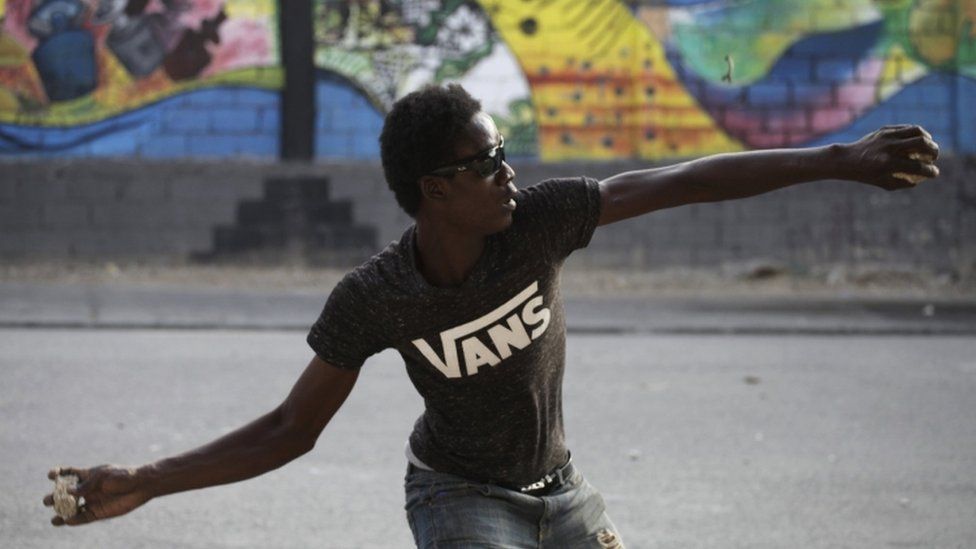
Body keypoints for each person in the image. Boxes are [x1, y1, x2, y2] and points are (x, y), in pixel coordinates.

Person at [44, 84, 940, 547]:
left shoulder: (539, 223)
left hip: (564, 490)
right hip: (461, 497)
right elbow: (288, 427)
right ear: (435, 189)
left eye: (505, 151)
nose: (510, 170)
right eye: (486, 161)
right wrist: (149, 479)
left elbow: (683, 179)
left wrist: (839, 157)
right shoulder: (376, 297)